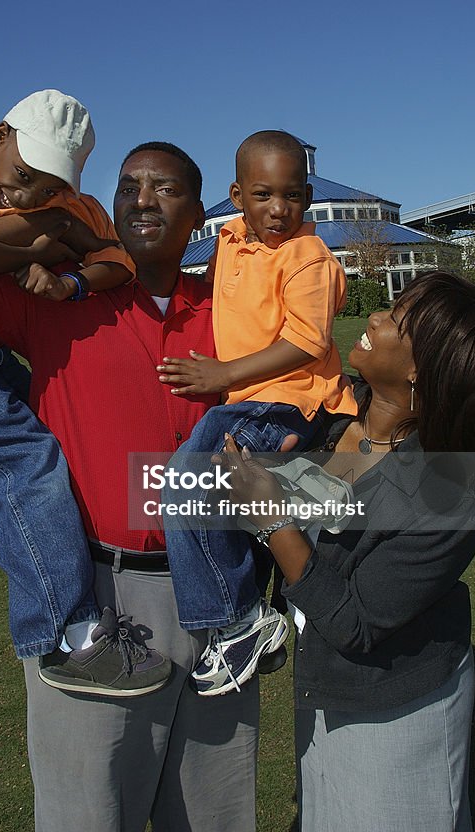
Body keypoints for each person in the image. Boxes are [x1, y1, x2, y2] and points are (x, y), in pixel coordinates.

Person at [0, 142, 260, 832]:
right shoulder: (56, 292)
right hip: (101, 599)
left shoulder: (237, 312)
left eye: (166, 189)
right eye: (128, 187)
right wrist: (46, 230)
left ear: (198, 215)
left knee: (216, 815)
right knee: (86, 816)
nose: (142, 199)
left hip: (220, 599)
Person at [222, 271, 475, 832]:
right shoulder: (332, 420)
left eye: (397, 320)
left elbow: (355, 623)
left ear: (422, 370)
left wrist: (271, 518)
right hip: (326, 690)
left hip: (394, 708)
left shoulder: (445, 498)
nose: (375, 318)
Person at [0, 90, 173, 697]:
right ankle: (67, 634)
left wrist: (70, 281)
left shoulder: (71, 204)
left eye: (46, 188)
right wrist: (36, 246)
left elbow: (117, 261)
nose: (27, 196)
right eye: (21, 176)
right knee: (25, 467)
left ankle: (70, 612)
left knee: (54, 449)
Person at [155, 130, 357, 695]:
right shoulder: (230, 242)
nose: (278, 209)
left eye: (291, 196)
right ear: (237, 194)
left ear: (309, 195)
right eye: (263, 195)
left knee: (184, 485)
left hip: (283, 399)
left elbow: (308, 342)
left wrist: (223, 374)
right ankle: (308, 499)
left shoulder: (306, 255)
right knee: (218, 493)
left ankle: (241, 620)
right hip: (251, 402)